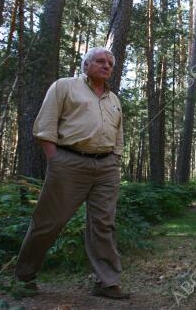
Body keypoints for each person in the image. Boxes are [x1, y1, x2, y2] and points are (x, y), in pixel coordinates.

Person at [13, 47, 130, 300]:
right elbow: (45, 124)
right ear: (85, 65)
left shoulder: (113, 99)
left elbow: (118, 134)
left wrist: (116, 158)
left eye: (110, 63)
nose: (106, 66)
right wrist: (55, 159)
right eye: (100, 61)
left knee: (104, 224)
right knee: (49, 221)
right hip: (69, 162)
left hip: (107, 167)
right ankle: (24, 277)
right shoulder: (64, 86)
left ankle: (107, 283)